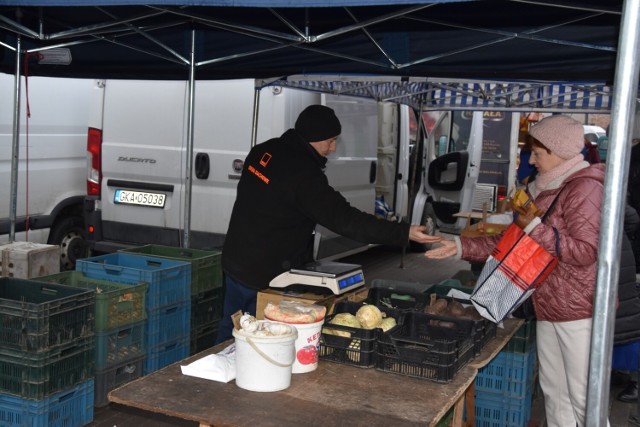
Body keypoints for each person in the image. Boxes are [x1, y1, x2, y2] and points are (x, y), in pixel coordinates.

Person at [425, 115, 606, 427]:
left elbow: (586, 252)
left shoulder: (585, 189)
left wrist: (534, 227)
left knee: (583, 399)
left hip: (580, 311)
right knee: (555, 394)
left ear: (560, 151)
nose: (531, 160)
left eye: (538, 153)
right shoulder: (543, 190)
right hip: (549, 305)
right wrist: (458, 246)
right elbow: (509, 242)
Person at [216, 105, 441, 344]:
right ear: (313, 137)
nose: (333, 149)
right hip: (264, 275)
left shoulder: (263, 151)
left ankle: (215, 368)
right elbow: (346, 219)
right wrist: (403, 232)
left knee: (232, 325)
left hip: (236, 260)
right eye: (331, 141)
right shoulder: (304, 177)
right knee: (258, 338)